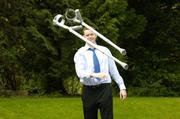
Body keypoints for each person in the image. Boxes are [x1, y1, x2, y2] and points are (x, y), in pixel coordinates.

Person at [74, 27, 127, 119]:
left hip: (104, 89)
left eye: (92, 34)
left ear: (96, 35)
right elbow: (80, 72)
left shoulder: (105, 50)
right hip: (88, 91)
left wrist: (122, 87)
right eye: (87, 35)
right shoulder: (80, 53)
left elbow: (113, 70)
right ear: (83, 37)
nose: (90, 36)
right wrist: (95, 74)